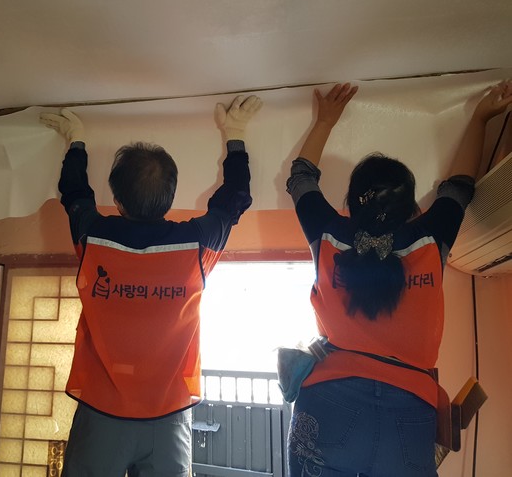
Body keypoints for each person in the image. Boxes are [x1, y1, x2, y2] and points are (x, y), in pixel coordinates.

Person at [284, 80, 512, 476]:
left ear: (352, 203)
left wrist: (325, 121)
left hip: (328, 400)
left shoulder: (329, 235)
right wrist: (480, 118)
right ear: (411, 207)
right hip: (411, 407)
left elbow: (300, 178)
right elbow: (460, 186)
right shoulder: (430, 238)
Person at [40, 95, 262, 477]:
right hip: (168, 418)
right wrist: (235, 134)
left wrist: (76, 139)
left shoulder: (94, 237)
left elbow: (74, 194)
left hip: (101, 413)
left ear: (117, 200)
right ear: (170, 198)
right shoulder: (197, 245)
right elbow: (234, 199)